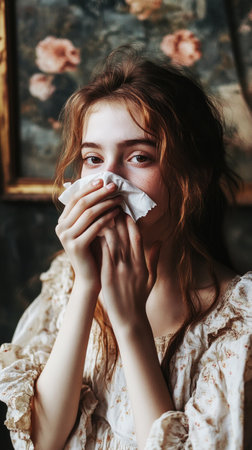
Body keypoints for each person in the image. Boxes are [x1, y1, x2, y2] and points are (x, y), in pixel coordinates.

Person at [0, 47, 251, 450]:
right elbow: (43, 440)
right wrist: (86, 287)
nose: (108, 181)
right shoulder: (68, 278)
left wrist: (130, 321)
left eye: (139, 156)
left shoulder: (237, 323)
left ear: (196, 178)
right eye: (93, 158)